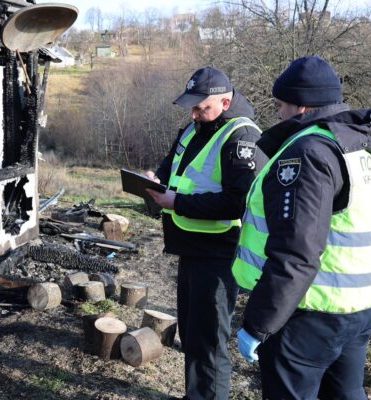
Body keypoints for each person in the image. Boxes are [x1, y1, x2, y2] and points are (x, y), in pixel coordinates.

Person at [232, 56, 371, 400]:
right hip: (364, 304)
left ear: (302, 106)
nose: (278, 114)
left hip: (312, 313)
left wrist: (259, 324)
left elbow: (296, 252)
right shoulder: (368, 144)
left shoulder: (308, 153)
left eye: (280, 105)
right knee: (346, 393)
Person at [145, 66, 266, 400]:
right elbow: (171, 165)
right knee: (193, 334)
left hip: (218, 254)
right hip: (191, 247)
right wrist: (155, 179)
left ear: (225, 103)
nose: (194, 114)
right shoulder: (195, 127)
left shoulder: (242, 137)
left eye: (201, 107)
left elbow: (237, 202)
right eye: (192, 107)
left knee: (209, 341)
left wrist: (177, 202)